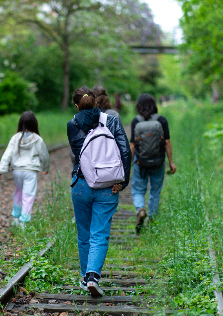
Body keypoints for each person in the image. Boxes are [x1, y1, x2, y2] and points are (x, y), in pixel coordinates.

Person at [68, 86, 131, 297]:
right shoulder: (111, 121)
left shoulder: (72, 124)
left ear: (76, 105)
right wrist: (123, 181)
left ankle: (85, 277)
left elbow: (78, 156)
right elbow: (124, 151)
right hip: (107, 185)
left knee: (83, 233)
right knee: (100, 233)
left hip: (81, 184)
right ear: (96, 102)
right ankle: (93, 276)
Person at [130, 93, 176, 232]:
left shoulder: (136, 121)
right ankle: (151, 220)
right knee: (155, 191)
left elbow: (132, 145)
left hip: (140, 162)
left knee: (138, 189)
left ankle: (140, 209)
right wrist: (171, 162)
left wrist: (128, 164)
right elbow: (167, 142)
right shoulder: (162, 120)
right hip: (158, 161)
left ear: (138, 106)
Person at [0, 111, 49, 225]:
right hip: (30, 172)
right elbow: (44, 155)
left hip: (17, 172)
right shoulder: (37, 139)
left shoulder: (16, 137)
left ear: (21, 123)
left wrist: (1, 169)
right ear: (34, 124)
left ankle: (16, 217)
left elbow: (7, 154)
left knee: (18, 193)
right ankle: (24, 221)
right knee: (28, 196)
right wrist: (45, 168)